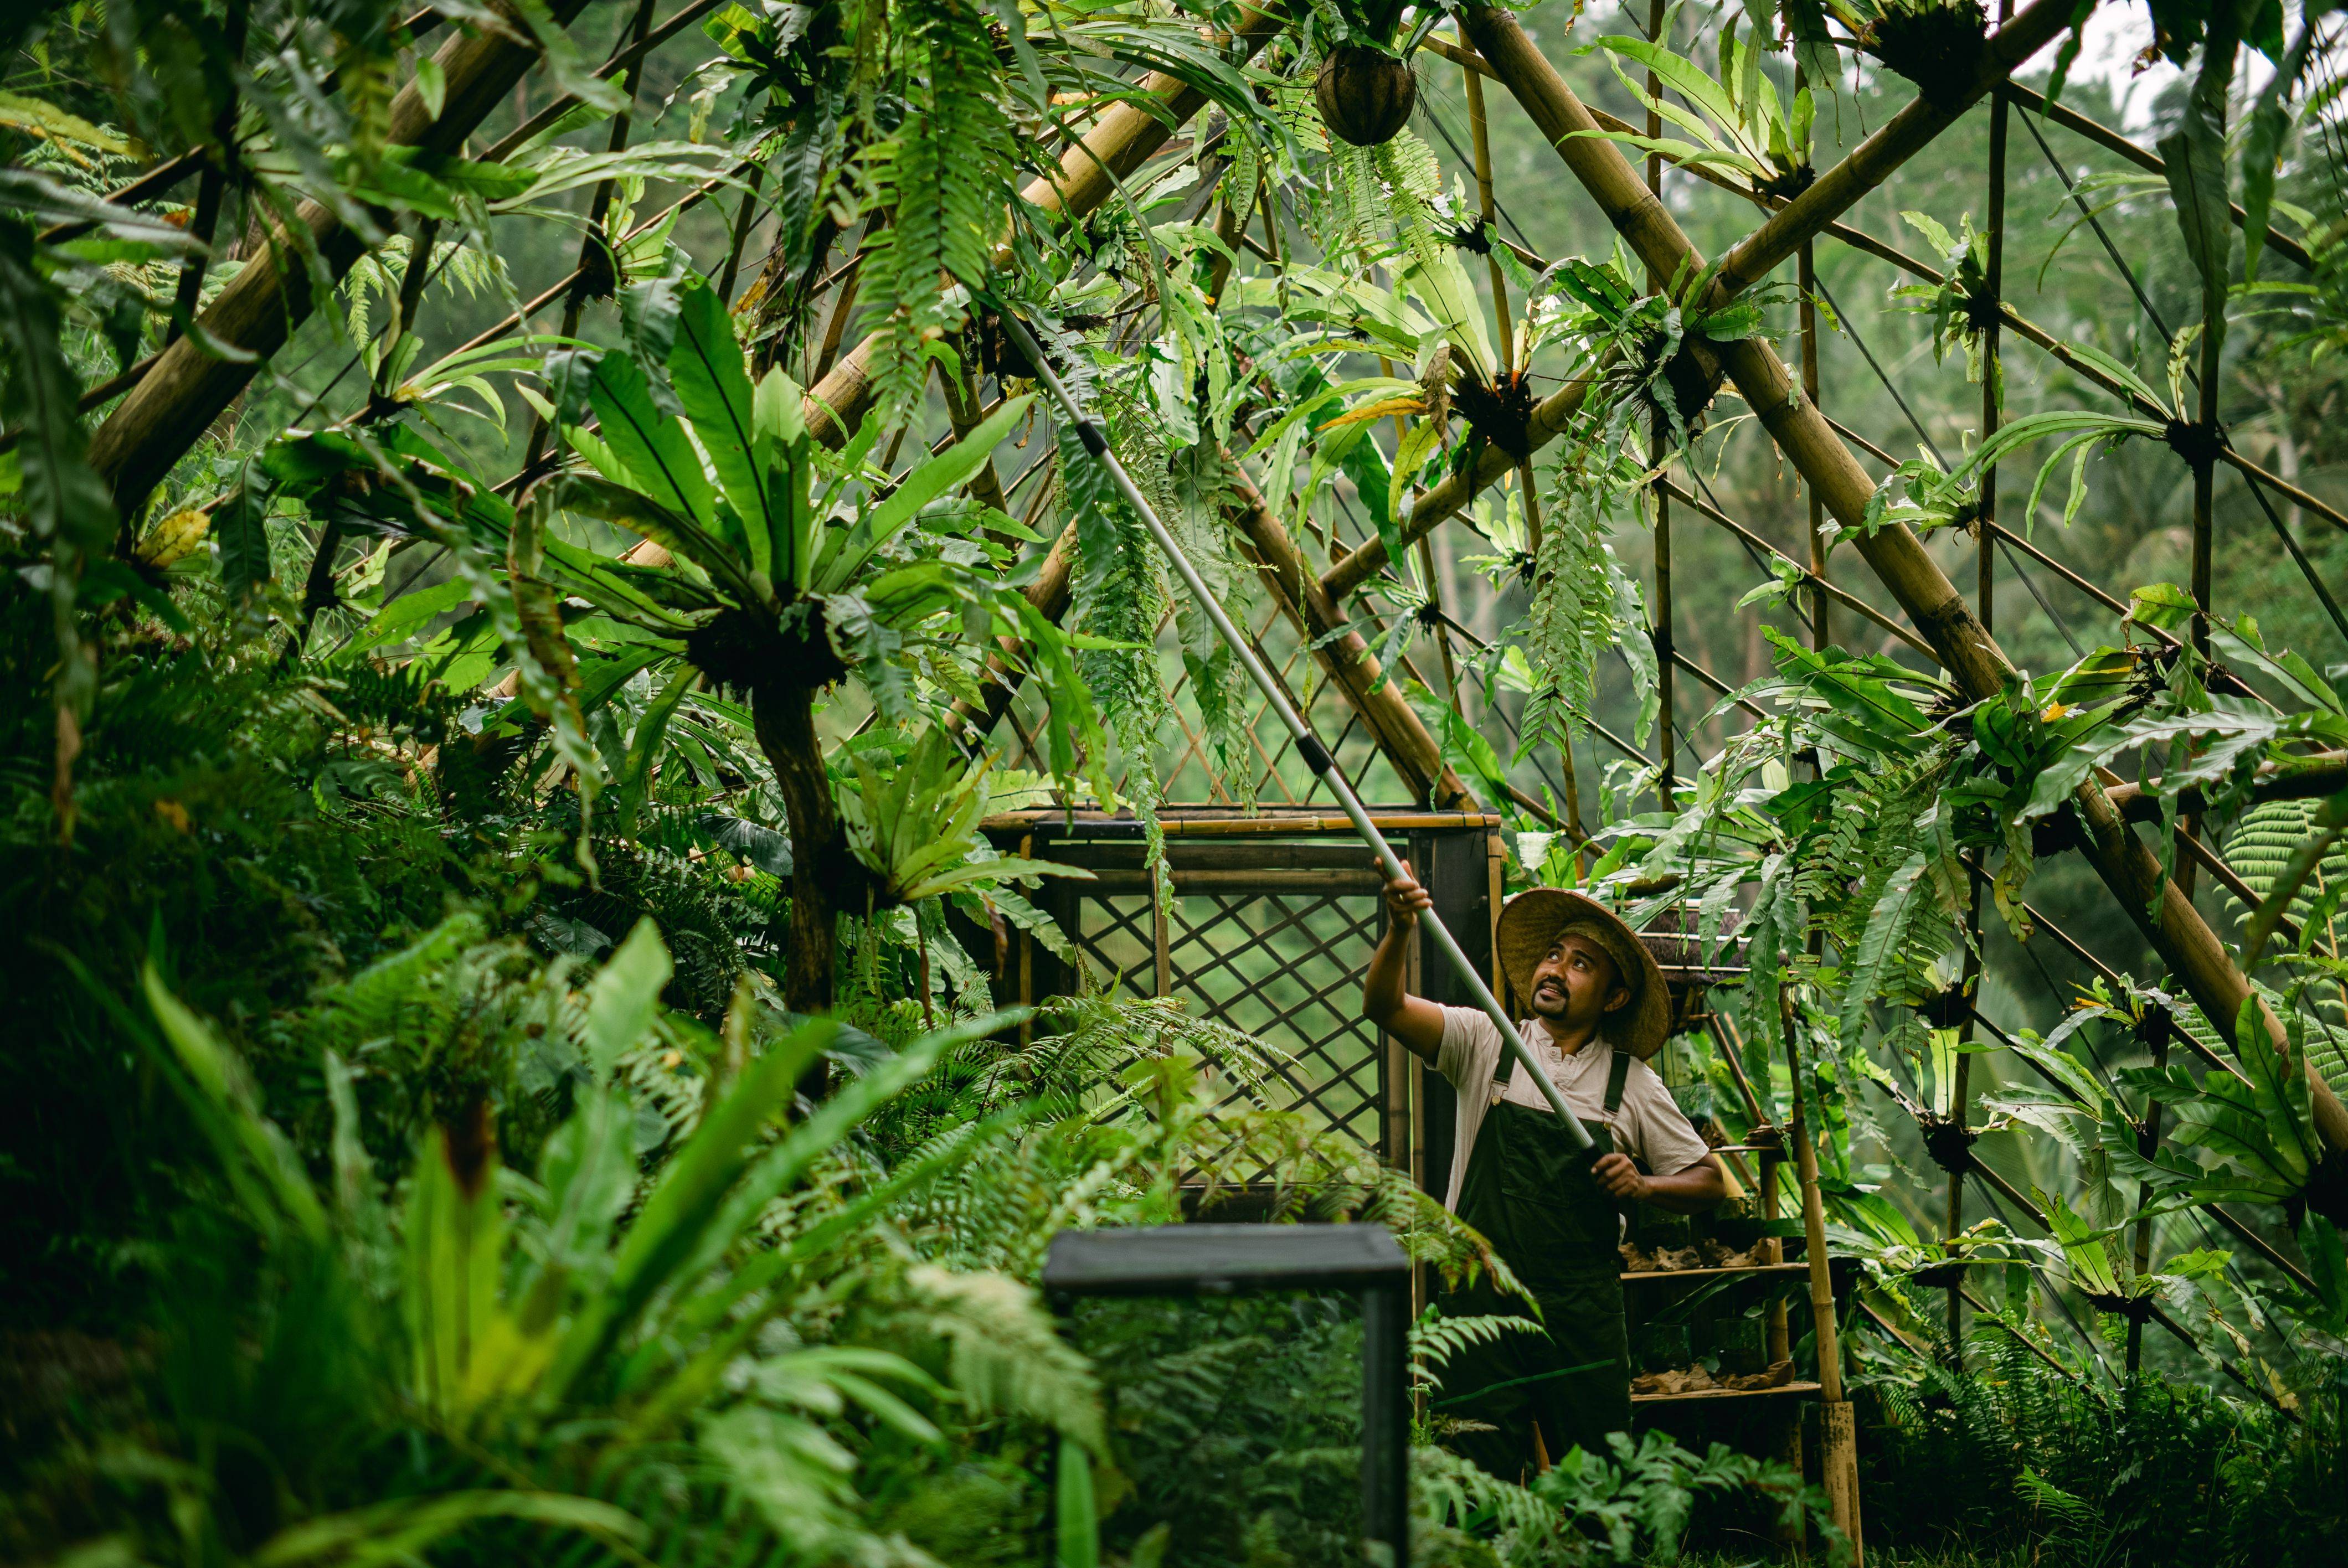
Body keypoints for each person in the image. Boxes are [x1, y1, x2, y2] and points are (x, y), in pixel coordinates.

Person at [1363, 865, 1725, 1480]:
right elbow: (1384, 1006)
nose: (1555, 969)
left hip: (1579, 1312)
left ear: (1613, 998)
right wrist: (1399, 929)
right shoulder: (1485, 1042)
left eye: (1580, 964)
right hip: (1479, 1300)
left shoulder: (1629, 1083)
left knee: (1600, 1481)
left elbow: (1709, 1179)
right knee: (1474, 1482)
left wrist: (1643, 1185)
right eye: (1553, 955)